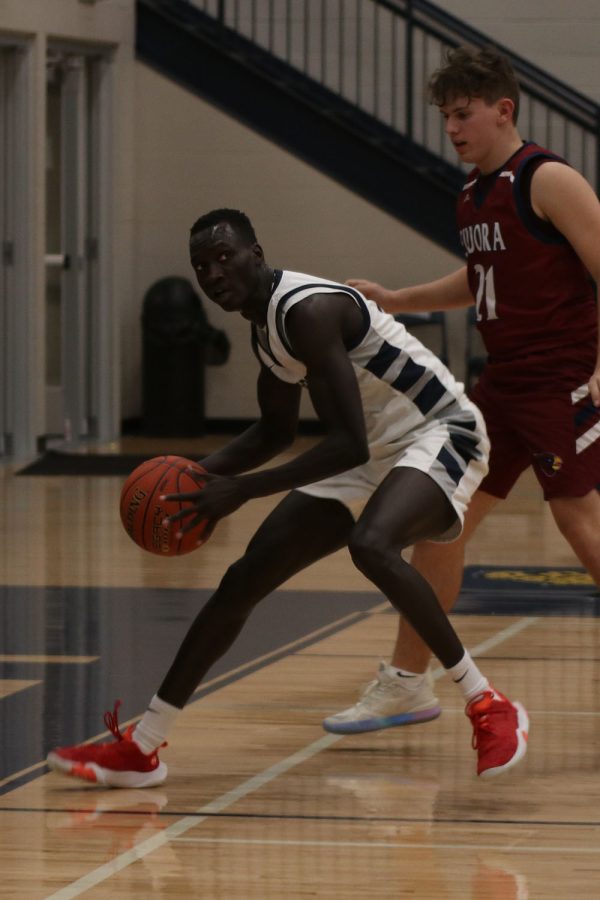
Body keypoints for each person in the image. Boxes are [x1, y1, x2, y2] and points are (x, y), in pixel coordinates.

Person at [47, 208, 528, 787]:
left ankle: (488, 704)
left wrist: (239, 491)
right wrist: (192, 482)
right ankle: (142, 748)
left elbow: (346, 445)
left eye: (225, 257)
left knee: (371, 545)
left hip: (439, 429)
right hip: (375, 449)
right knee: (242, 580)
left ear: (256, 251)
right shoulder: (266, 329)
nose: (214, 273)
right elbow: (274, 432)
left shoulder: (308, 310)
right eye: (202, 267)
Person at [322, 45, 600, 736]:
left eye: (463, 114)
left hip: (559, 377)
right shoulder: (475, 193)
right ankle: (406, 683)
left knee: (578, 521)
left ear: (503, 110)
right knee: (442, 521)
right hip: (501, 384)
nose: (451, 128)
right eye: (446, 115)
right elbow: (480, 279)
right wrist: (396, 297)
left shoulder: (549, 178)